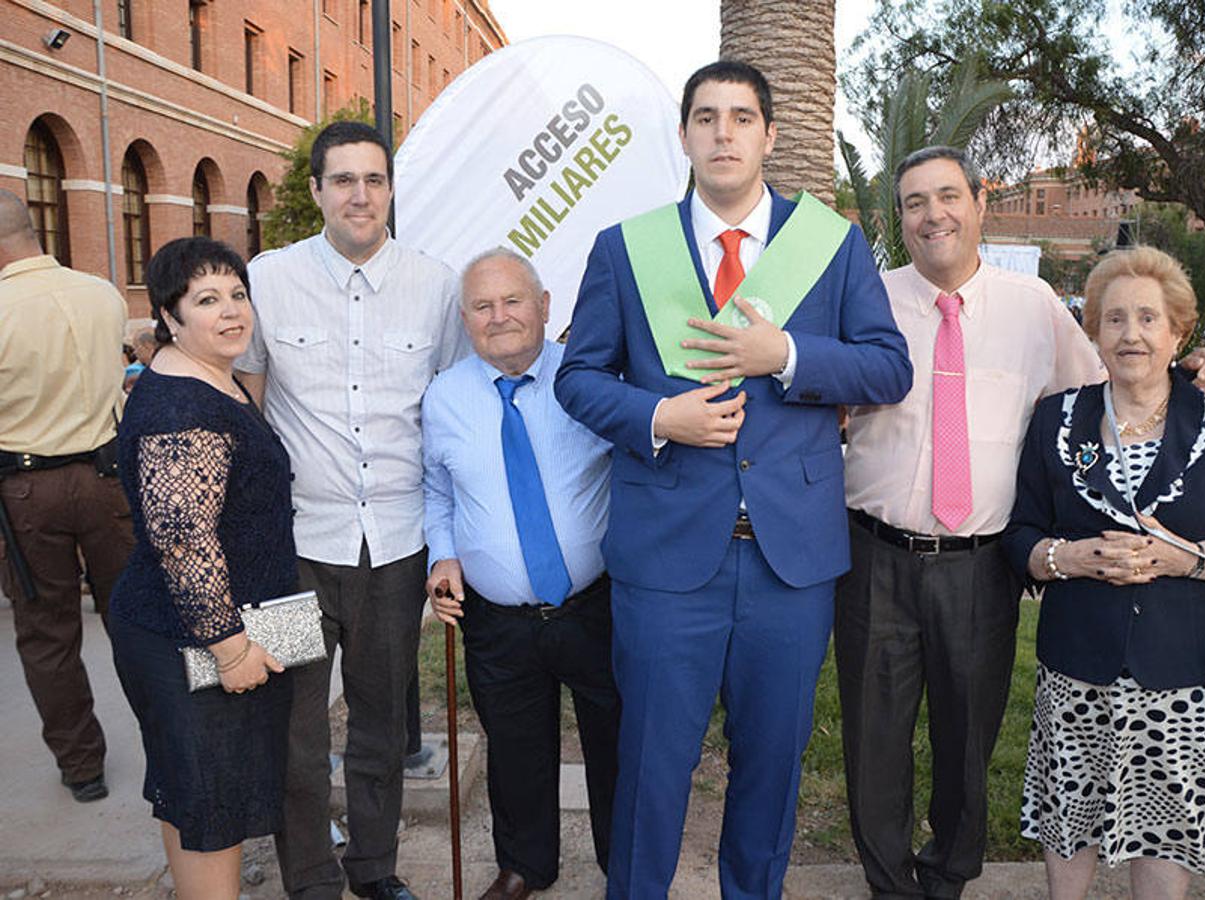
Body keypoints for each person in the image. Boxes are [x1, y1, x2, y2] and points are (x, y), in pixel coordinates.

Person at [835, 146, 1205, 898]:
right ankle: (888, 885)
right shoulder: (865, 301)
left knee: (966, 739)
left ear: (981, 202)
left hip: (981, 564)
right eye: (915, 202)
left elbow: (1114, 386)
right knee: (872, 736)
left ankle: (947, 873)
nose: (933, 215)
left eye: (948, 196)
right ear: (900, 217)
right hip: (874, 557)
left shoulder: (1034, 310)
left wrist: (1199, 372)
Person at [555, 59, 912, 898]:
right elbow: (578, 376)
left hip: (790, 564)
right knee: (649, 767)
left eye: (741, 117)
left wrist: (782, 354)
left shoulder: (828, 245)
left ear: (769, 136)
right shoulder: (625, 248)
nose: (723, 133)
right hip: (667, 561)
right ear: (683, 135)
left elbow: (887, 367)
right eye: (706, 117)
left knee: (770, 770)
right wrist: (657, 418)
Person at [1004, 245, 1205, 899]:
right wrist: (1066, 558)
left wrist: (1186, 560)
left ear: (1177, 331)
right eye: (1113, 319)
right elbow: (1018, 534)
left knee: (1164, 831)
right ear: (1094, 331)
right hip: (1077, 663)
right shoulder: (1058, 418)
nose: (1129, 334)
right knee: (1068, 819)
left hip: (1184, 670)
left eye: (1145, 318)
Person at [235, 120, 467, 900]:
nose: (359, 195)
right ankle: (309, 880)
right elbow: (246, 405)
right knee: (293, 730)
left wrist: (449, 542)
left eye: (373, 179)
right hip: (290, 553)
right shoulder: (267, 280)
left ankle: (374, 869)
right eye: (342, 180)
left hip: (394, 550)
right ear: (316, 192)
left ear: (391, 189)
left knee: (381, 725)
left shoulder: (437, 286)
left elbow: (452, 413)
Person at [423, 250, 619, 900]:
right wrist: (441, 554)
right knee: (513, 750)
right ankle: (524, 867)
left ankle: (626, 865)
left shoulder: (588, 381)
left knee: (616, 740)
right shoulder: (444, 398)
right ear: (464, 318)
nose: (498, 316)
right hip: (497, 621)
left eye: (512, 300)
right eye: (482, 306)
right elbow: (437, 493)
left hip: (597, 607)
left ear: (544, 306)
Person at [108, 237, 298, 897]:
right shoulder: (182, 406)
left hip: (223, 624)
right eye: (206, 299)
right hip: (191, 636)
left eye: (237, 295)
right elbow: (180, 536)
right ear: (169, 315)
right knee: (211, 806)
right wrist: (231, 647)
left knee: (197, 797)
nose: (230, 312)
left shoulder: (213, 377)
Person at [0, 187, 134, 804]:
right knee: (134, 616)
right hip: (107, 478)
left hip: (27, 490)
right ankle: (171, 733)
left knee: (48, 632)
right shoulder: (103, 294)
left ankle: (83, 767)